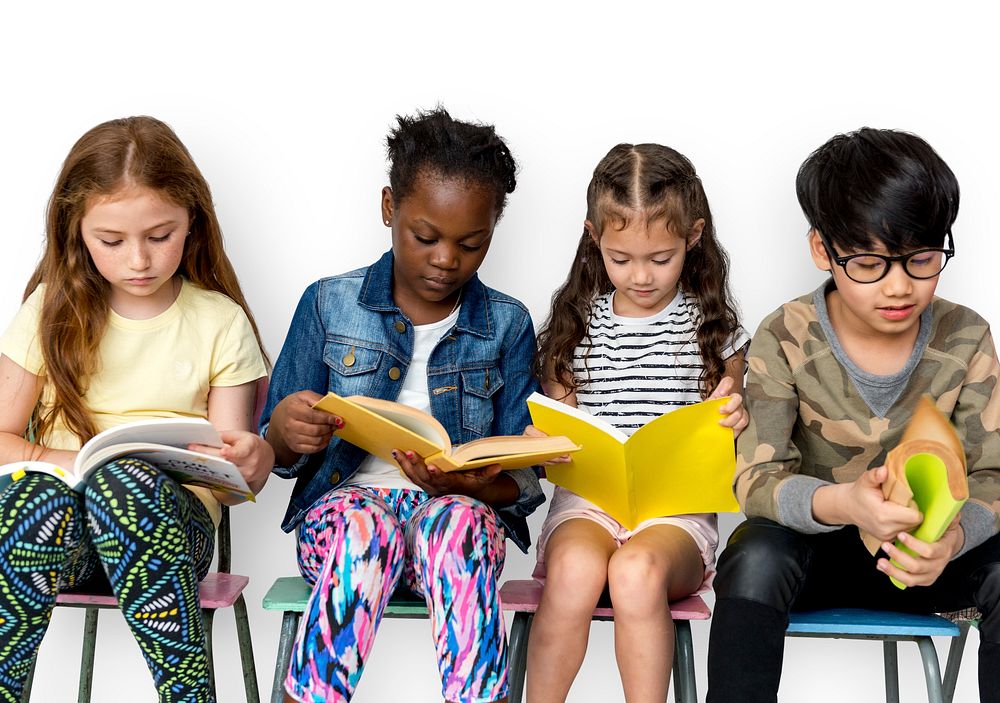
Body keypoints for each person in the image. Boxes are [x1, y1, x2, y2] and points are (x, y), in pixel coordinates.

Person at [261, 107, 544, 703]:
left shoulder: (508, 325)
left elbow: (522, 476)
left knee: (458, 524)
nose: (446, 259)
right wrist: (287, 429)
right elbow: (274, 452)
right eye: (426, 237)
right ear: (389, 208)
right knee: (366, 526)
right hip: (344, 523)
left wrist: (468, 488)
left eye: (472, 243)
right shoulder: (328, 304)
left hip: (454, 524)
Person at [706, 128, 1000, 702]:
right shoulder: (786, 334)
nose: (899, 286)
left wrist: (954, 539)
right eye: (868, 262)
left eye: (921, 259)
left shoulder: (966, 336)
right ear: (822, 250)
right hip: (821, 554)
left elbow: (992, 477)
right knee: (754, 552)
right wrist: (844, 503)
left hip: (930, 561)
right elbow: (757, 481)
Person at [0, 116, 272, 703]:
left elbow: (227, 476)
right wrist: (72, 462)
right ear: (76, 231)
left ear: (192, 222)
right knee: (25, 496)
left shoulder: (218, 321)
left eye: (160, 235)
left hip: (172, 535)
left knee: (125, 485)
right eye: (112, 241)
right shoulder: (50, 311)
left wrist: (248, 460)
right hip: (59, 540)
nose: (139, 260)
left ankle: (187, 694)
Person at [526, 143, 749, 702]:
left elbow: (732, 425)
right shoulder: (573, 329)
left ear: (693, 237)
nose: (642, 276)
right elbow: (561, 428)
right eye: (621, 258)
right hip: (587, 507)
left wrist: (737, 414)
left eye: (661, 257)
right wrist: (545, 439)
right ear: (593, 237)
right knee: (575, 572)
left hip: (673, 519)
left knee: (635, 572)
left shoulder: (714, 331)